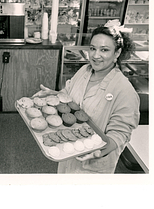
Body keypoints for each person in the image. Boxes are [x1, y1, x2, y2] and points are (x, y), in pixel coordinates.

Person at [35, 19, 140, 173]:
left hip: (94, 165)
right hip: (68, 152)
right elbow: (68, 97)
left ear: (117, 53)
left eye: (104, 50)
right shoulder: (84, 70)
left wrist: (101, 150)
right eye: (92, 48)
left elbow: (121, 133)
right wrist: (54, 94)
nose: (96, 55)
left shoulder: (124, 90)